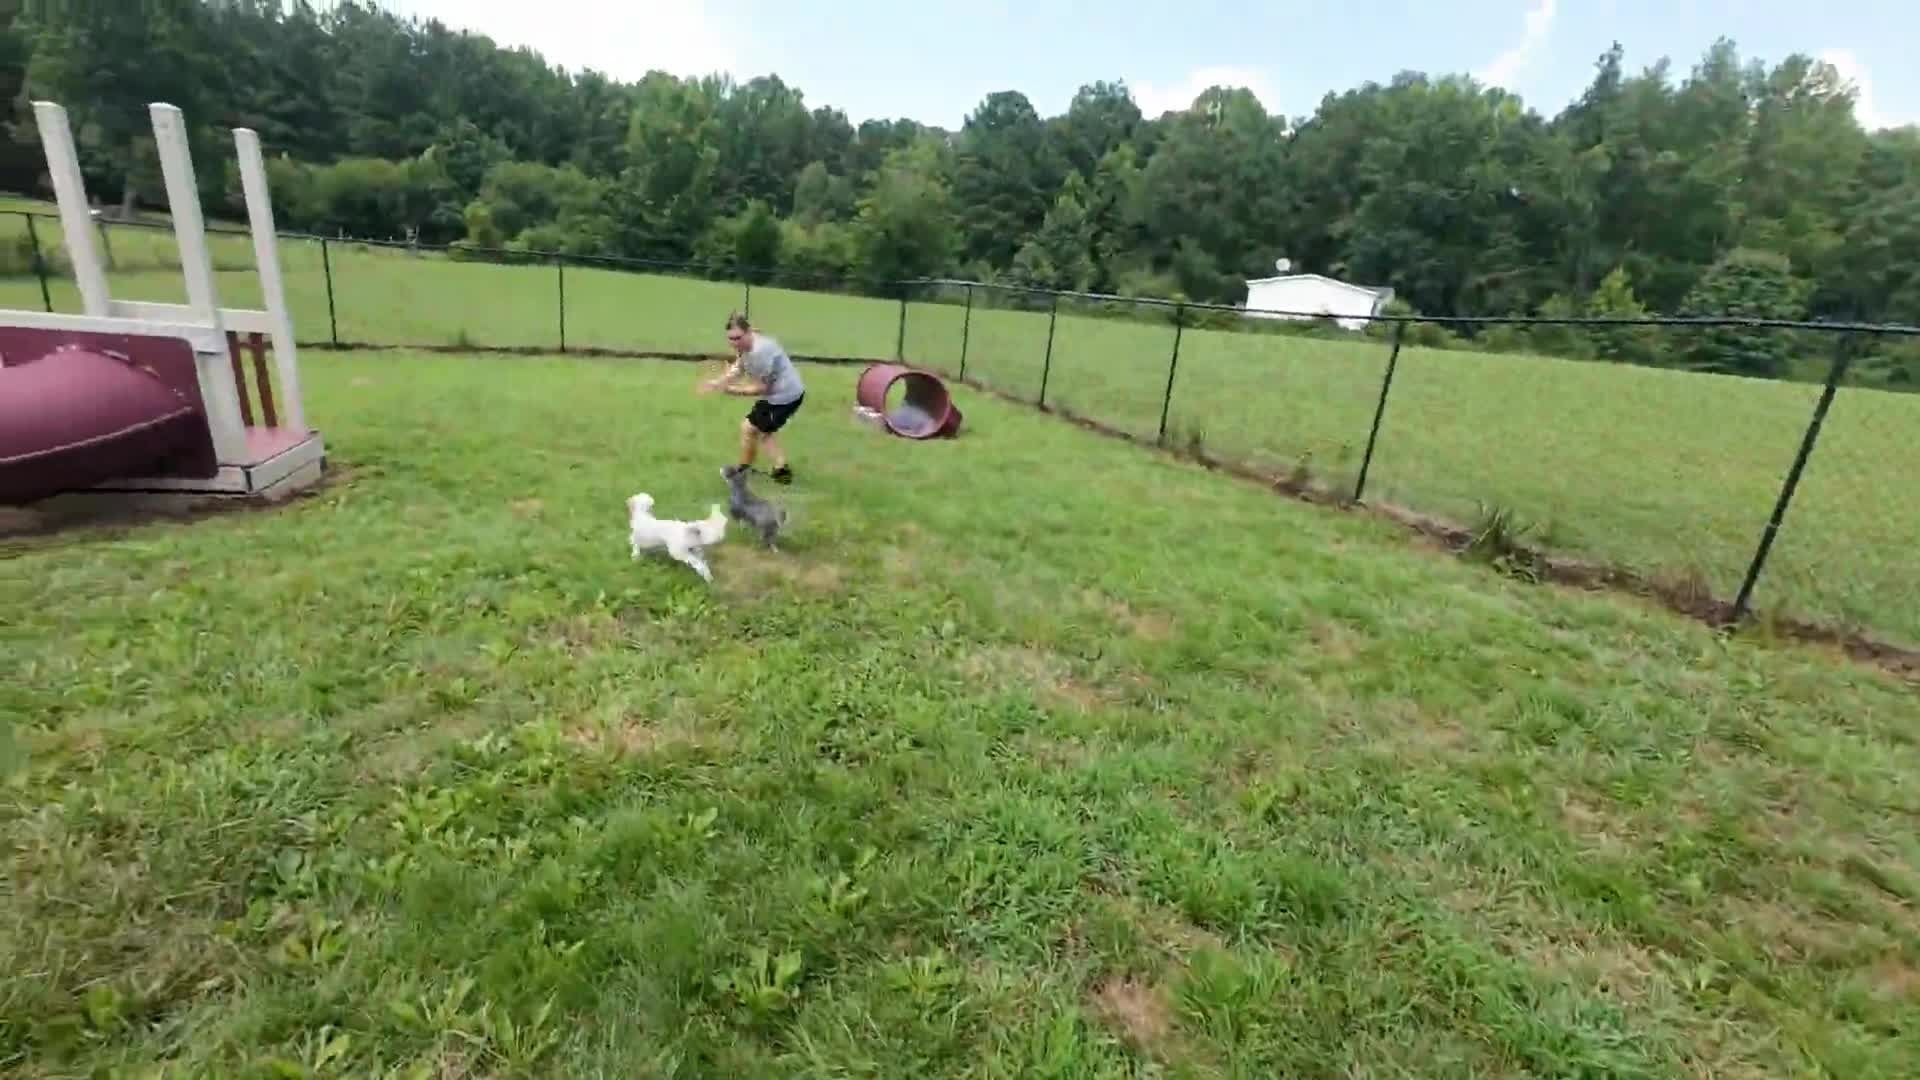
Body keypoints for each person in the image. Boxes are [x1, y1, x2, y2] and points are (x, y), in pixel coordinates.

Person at [699, 312, 804, 484]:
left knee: (751, 428)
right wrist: (718, 382)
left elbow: (761, 388)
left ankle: (746, 471)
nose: (734, 343)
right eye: (730, 339)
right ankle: (779, 471)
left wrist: (730, 390)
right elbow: (738, 367)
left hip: (785, 396)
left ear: (748, 333)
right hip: (780, 394)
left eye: (738, 338)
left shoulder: (760, 353)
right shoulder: (746, 346)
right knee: (761, 431)